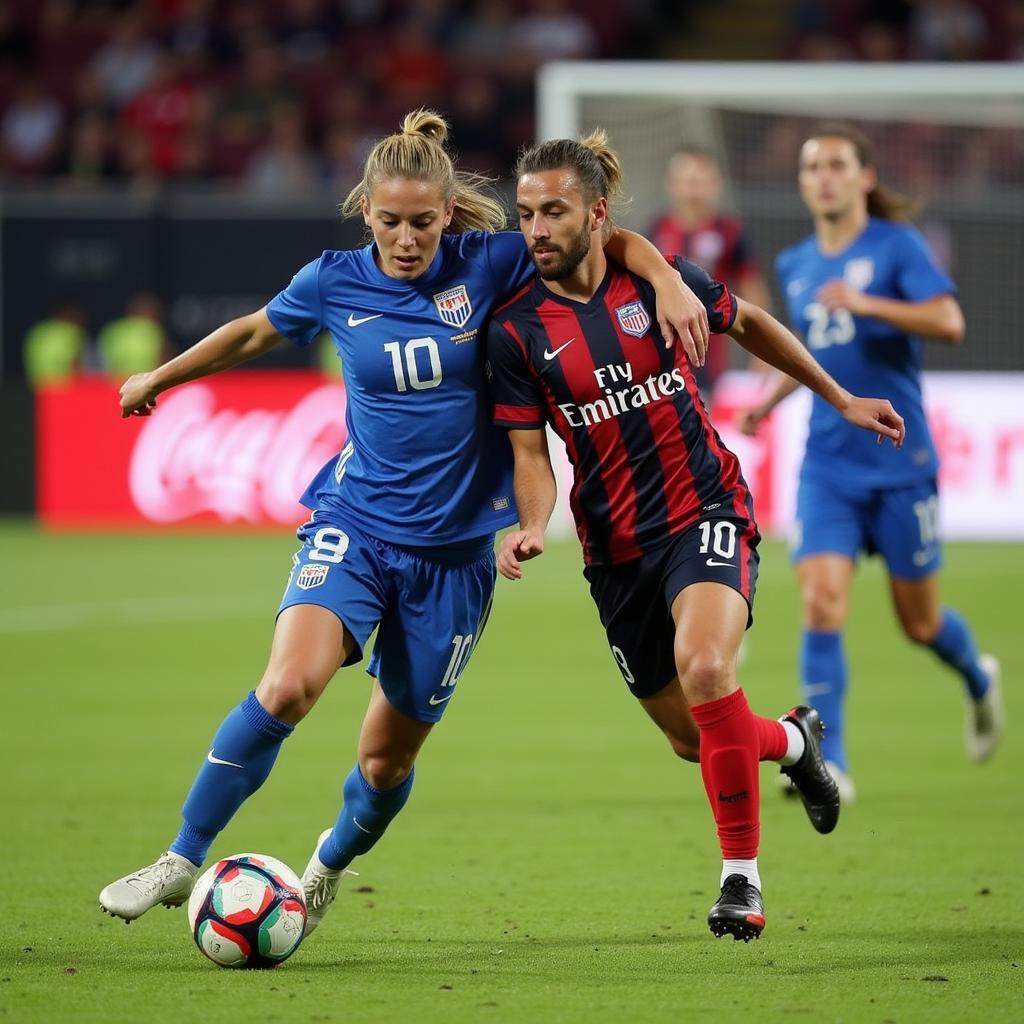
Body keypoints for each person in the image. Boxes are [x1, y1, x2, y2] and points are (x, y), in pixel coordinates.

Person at [98, 109, 712, 935]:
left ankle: (324, 869)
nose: (407, 238)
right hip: (356, 526)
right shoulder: (332, 280)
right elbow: (253, 330)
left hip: (455, 562)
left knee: (385, 764)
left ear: (450, 214)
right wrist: (162, 377)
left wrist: (666, 278)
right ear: (366, 212)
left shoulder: (491, 262)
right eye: (390, 221)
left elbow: (605, 243)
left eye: (424, 222)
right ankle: (180, 857)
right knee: (287, 686)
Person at [485, 131, 906, 941]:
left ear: (596, 213)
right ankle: (792, 741)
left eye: (554, 212)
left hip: (705, 509)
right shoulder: (515, 332)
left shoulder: (661, 286)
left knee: (709, 666)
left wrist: (840, 396)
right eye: (526, 213)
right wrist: (531, 524)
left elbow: (754, 326)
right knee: (694, 739)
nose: (535, 229)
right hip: (614, 552)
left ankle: (741, 881)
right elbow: (530, 453)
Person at [738, 123, 1003, 802]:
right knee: (821, 603)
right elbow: (811, 356)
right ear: (801, 183)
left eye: (835, 164)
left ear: (863, 178)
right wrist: (768, 402)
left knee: (920, 624)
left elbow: (949, 322)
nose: (822, 176)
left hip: (899, 463)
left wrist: (867, 302)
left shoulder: (896, 246)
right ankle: (835, 761)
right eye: (811, 166)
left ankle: (978, 677)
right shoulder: (797, 263)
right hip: (827, 465)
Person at [648, 147, 774, 394]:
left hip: (708, 358)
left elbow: (753, 290)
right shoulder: (656, 230)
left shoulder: (730, 231)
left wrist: (762, 351)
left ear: (715, 184)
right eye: (686, 181)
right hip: (659, 354)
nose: (692, 189)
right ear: (671, 185)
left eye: (699, 181)